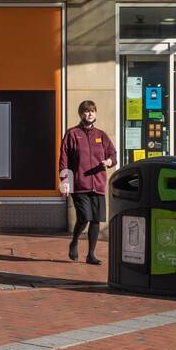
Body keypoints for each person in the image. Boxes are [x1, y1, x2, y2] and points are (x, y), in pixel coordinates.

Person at [58, 100, 116, 265]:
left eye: (92, 111)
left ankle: (91, 254)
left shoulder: (101, 135)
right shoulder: (72, 134)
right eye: (86, 111)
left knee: (96, 219)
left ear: (95, 113)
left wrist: (110, 161)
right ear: (81, 114)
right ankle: (75, 241)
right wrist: (65, 181)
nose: (89, 114)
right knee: (84, 217)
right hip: (79, 183)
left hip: (97, 184)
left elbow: (113, 154)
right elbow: (64, 159)